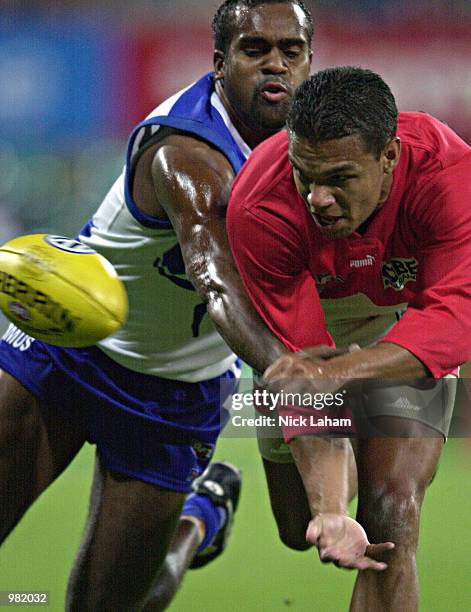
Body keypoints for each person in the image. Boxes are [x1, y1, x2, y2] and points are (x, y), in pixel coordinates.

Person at [0, 1, 315, 609]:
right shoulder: (187, 149)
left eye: (291, 50)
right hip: (69, 350)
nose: (275, 63)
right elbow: (217, 281)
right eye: (255, 50)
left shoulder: (319, 157)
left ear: (309, 62)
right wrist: (288, 371)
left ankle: (198, 523)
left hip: (175, 393)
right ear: (220, 64)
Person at [227, 66, 471, 611]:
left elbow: (456, 318)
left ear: (390, 156)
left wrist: (342, 373)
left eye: (339, 178)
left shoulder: (449, 173)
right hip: (311, 325)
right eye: (303, 175)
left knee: (392, 510)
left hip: (405, 323)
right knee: (299, 527)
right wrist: (332, 509)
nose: (318, 199)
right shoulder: (258, 206)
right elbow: (303, 369)